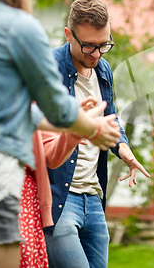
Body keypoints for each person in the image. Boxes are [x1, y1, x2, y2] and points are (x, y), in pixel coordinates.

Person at [0, 0, 121, 268]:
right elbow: (57, 107)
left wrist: (72, 124)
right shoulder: (17, 26)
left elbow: (25, 110)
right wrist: (92, 127)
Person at [44, 0, 151, 268]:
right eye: (89, 46)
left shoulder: (103, 69)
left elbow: (110, 118)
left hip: (93, 197)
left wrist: (124, 151)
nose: (97, 54)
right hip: (60, 198)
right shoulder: (48, 68)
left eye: (104, 45)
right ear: (69, 35)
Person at [20, 97, 99, 268]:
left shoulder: (30, 103)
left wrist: (73, 129)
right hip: (7, 202)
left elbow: (51, 154)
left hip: (27, 206)